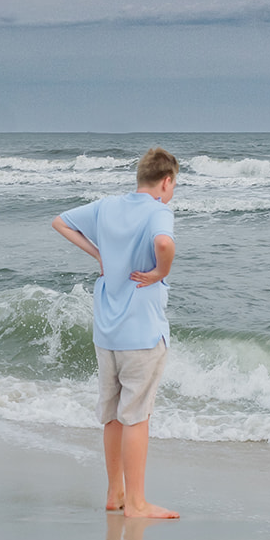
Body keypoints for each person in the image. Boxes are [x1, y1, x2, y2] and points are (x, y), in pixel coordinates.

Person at [53, 146, 180, 520]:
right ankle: (137, 505)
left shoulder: (107, 206)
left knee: (111, 415)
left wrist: (99, 255)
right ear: (166, 181)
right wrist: (159, 272)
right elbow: (164, 243)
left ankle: (115, 493)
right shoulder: (159, 210)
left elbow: (60, 221)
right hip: (141, 332)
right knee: (136, 416)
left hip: (106, 331)